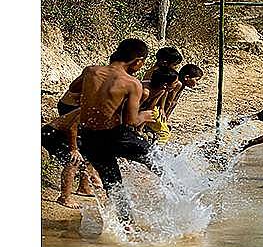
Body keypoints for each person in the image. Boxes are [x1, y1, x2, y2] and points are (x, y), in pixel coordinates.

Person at [77, 38, 156, 227]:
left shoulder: (90, 71)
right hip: (116, 136)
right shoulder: (131, 83)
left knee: (113, 186)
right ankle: (185, 199)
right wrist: (145, 115)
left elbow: (75, 91)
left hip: (89, 138)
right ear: (138, 61)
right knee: (157, 160)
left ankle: (126, 226)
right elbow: (131, 121)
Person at [41, 109, 102, 209]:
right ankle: (64, 198)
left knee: (90, 153)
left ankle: (84, 188)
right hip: (52, 133)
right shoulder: (95, 108)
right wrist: (73, 149)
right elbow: (72, 127)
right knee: (73, 160)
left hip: (65, 135)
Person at [140, 67, 179, 144]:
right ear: (165, 84)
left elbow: (149, 109)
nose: (177, 85)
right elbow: (131, 109)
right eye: (175, 83)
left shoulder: (161, 90)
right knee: (164, 134)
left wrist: (140, 128)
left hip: (141, 112)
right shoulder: (145, 92)